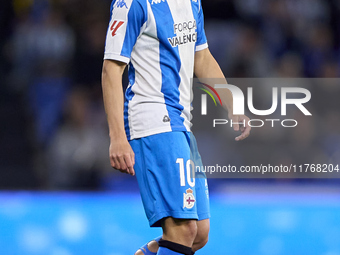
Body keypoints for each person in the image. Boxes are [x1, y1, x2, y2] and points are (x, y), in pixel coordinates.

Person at [101, 0, 251, 254]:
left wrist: (231, 102)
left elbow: (202, 56)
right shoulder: (133, 4)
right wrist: (117, 137)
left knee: (199, 233)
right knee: (183, 230)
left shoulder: (192, 2)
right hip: (153, 121)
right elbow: (111, 69)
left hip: (181, 123)